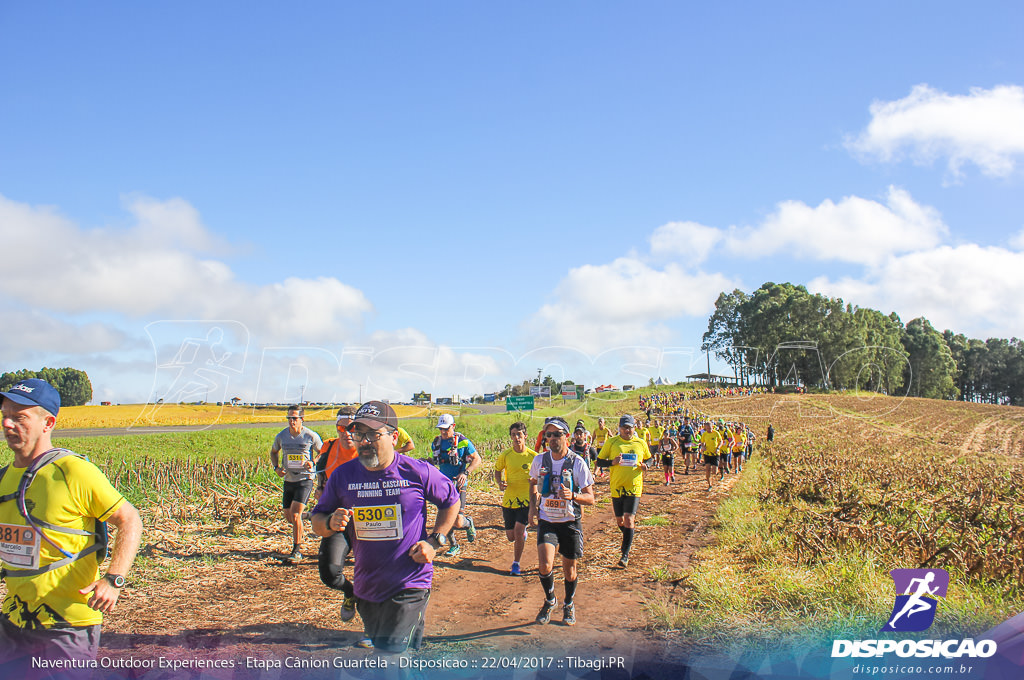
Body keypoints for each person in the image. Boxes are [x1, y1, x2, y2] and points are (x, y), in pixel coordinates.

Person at [0, 379, 143, 677]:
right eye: (5, 415)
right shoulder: (3, 477)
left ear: (48, 422)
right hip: (13, 621)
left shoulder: (73, 472)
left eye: (19, 417)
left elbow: (129, 519)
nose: (7, 423)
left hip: (66, 625)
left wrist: (114, 579)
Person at [311, 401, 460, 653]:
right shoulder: (342, 476)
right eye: (358, 434)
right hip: (367, 588)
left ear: (393, 437)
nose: (364, 441)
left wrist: (435, 542)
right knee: (390, 652)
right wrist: (329, 522)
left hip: (410, 583)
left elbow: (451, 501)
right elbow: (318, 521)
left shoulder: (416, 471)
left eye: (372, 434)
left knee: (390, 654)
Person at [528, 417, 595, 626]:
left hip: (569, 521)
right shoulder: (539, 460)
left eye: (557, 434)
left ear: (566, 436)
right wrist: (532, 509)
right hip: (547, 520)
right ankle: (550, 600)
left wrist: (573, 496)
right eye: (548, 434)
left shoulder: (577, 462)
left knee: (569, 570)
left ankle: (568, 604)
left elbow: (591, 498)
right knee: (545, 565)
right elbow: (532, 484)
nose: (552, 438)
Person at [313, 411, 360, 626]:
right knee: (330, 574)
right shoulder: (329, 447)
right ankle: (350, 592)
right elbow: (321, 472)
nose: (347, 433)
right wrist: (319, 489)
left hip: (367, 519)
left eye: (351, 428)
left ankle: (374, 627)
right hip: (338, 517)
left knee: (373, 573)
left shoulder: (368, 450)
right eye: (342, 428)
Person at [595, 414, 652, 568]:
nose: (627, 430)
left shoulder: (640, 443)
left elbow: (649, 459)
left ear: (634, 428)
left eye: (630, 427)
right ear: (619, 428)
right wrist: (611, 462)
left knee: (628, 519)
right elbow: (599, 461)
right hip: (617, 487)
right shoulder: (612, 442)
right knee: (620, 521)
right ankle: (629, 534)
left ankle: (624, 554)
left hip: (634, 487)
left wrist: (647, 466)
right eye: (624, 427)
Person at [269, 405, 323, 563]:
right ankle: (310, 516)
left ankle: (297, 551)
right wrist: (276, 468)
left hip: (305, 479)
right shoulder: (281, 436)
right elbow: (273, 452)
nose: (291, 421)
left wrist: (312, 462)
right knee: (289, 516)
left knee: (294, 514)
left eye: (294, 418)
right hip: (289, 480)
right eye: (289, 418)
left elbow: (322, 451)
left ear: (302, 419)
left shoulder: (310, 436)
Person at [429, 413, 481, 556]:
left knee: (458, 521)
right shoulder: (436, 442)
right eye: (441, 429)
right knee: (445, 517)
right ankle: (454, 545)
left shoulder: (463, 442)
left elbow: (477, 459)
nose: (443, 432)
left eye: (446, 429)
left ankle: (468, 522)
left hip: (458, 483)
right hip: (443, 484)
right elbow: (437, 462)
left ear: (453, 427)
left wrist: (466, 472)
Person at [493, 422, 535, 576]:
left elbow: (541, 476)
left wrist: (535, 485)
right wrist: (499, 482)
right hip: (509, 501)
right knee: (511, 536)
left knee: (518, 530)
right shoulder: (506, 455)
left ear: (525, 436)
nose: (517, 437)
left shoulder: (533, 456)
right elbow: (497, 470)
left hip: (526, 501)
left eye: (519, 434)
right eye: (513, 435)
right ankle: (522, 535)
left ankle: (516, 564)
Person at [699, 421, 725, 491]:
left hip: (715, 454)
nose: (709, 430)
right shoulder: (704, 434)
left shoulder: (716, 433)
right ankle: (710, 485)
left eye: (710, 428)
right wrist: (703, 447)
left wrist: (718, 447)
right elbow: (702, 442)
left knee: (714, 471)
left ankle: (720, 471)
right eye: (707, 428)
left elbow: (721, 441)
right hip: (707, 454)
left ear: (712, 427)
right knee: (707, 469)